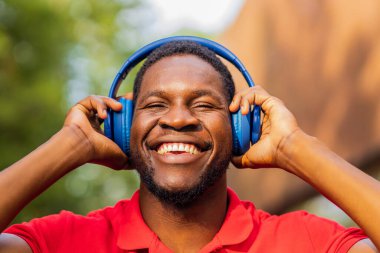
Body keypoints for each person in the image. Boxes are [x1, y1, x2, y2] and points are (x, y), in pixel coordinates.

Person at [0, 40, 379, 253]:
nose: (178, 119)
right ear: (122, 127)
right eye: (155, 104)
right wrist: (70, 145)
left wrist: (295, 147)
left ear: (239, 126)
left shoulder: (304, 243)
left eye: (203, 104)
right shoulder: (64, 242)